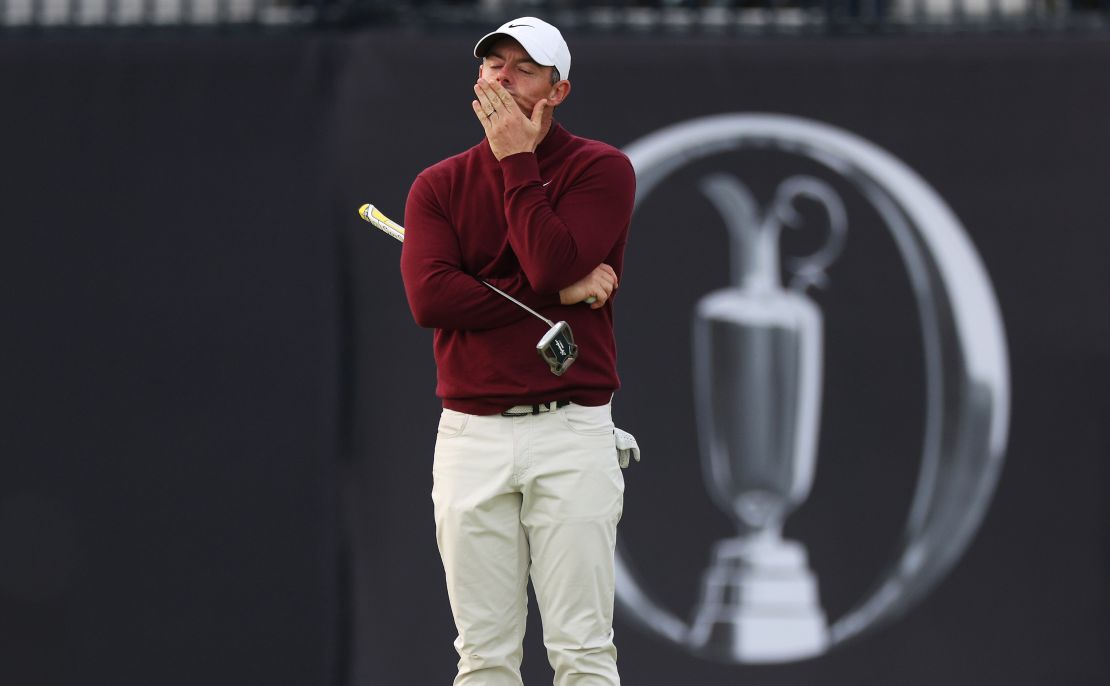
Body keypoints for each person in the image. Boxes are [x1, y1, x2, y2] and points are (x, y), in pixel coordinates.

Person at [398, 16, 635, 686]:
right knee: (485, 660)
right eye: (492, 66)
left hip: (571, 430)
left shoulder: (601, 169)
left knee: (583, 653)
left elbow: (548, 259)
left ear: (557, 92)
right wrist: (562, 291)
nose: (501, 79)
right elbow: (431, 301)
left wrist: (516, 162)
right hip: (471, 436)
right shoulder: (437, 186)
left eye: (523, 69)